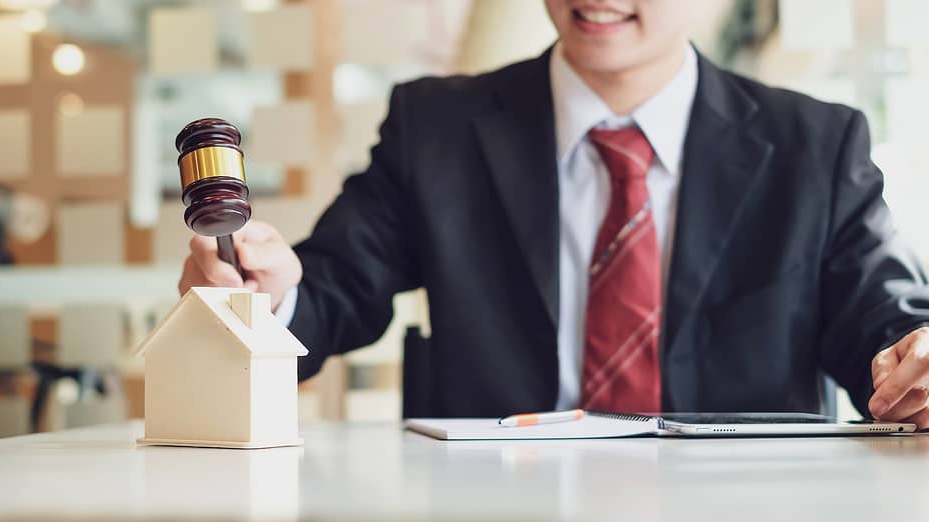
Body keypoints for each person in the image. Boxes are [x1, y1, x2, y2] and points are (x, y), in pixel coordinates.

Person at [179, 0, 929, 428]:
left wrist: (916, 362)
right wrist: (264, 293)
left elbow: (885, 325)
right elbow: (334, 288)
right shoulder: (435, 126)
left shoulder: (816, 146)